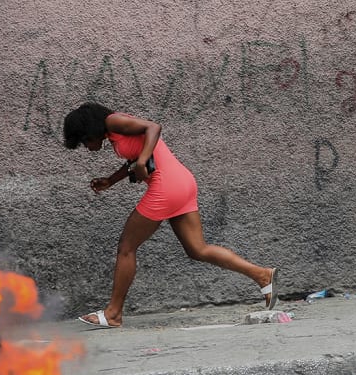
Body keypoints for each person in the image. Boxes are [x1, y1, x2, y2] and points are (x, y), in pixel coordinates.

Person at [62, 102, 276, 328]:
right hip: (182, 182)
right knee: (198, 249)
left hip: (166, 186)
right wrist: (111, 181)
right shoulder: (113, 133)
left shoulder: (113, 121)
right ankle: (262, 275)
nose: (86, 146)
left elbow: (153, 127)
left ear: (90, 129)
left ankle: (113, 313)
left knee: (126, 248)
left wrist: (143, 161)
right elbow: (136, 158)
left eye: (85, 140)